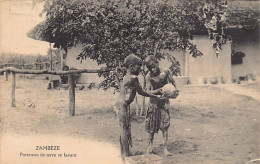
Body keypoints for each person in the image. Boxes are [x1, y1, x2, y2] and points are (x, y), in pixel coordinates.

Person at [114, 54, 162, 157]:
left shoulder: (128, 76)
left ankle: (123, 152)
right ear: (131, 67)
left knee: (124, 129)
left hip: (122, 105)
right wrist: (156, 93)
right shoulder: (132, 78)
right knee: (124, 129)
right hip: (121, 106)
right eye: (138, 66)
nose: (140, 68)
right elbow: (141, 92)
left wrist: (155, 92)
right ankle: (126, 153)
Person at [144, 55, 178, 156]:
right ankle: (150, 147)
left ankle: (165, 149)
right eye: (150, 68)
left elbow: (174, 87)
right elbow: (147, 91)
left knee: (165, 126)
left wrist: (172, 94)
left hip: (164, 103)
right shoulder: (149, 76)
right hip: (153, 103)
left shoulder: (166, 72)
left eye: (154, 66)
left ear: (158, 63)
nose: (153, 69)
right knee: (151, 126)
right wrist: (157, 92)